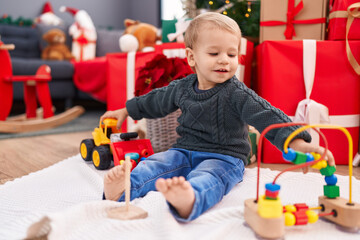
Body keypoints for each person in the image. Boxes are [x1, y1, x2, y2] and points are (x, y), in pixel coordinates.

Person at [100, 12, 335, 222]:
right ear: (192, 58)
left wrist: (300, 143)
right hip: (184, 150)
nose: (224, 59)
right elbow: (154, 101)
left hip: (224, 157)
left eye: (232, 54)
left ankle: (190, 198)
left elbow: (268, 117)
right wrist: (125, 110)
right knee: (156, 163)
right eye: (214, 53)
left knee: (210, 177)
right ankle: (124, 188)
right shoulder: (182, 88)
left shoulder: (237, 93)